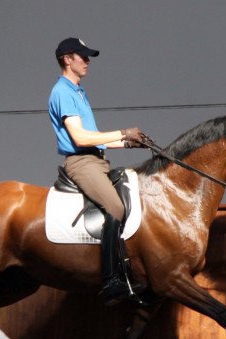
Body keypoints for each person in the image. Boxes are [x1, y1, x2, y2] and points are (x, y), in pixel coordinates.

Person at [48, 37, 146, 306]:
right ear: (68, 59)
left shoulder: (78, 91)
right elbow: (80, 138)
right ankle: (111, 280)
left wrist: (126, 142)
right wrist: (122, 132)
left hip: (96, 160)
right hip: (81, 163)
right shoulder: (63, 92)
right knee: (115, 207)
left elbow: (95, 138)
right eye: (83, 57)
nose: (88, 61)